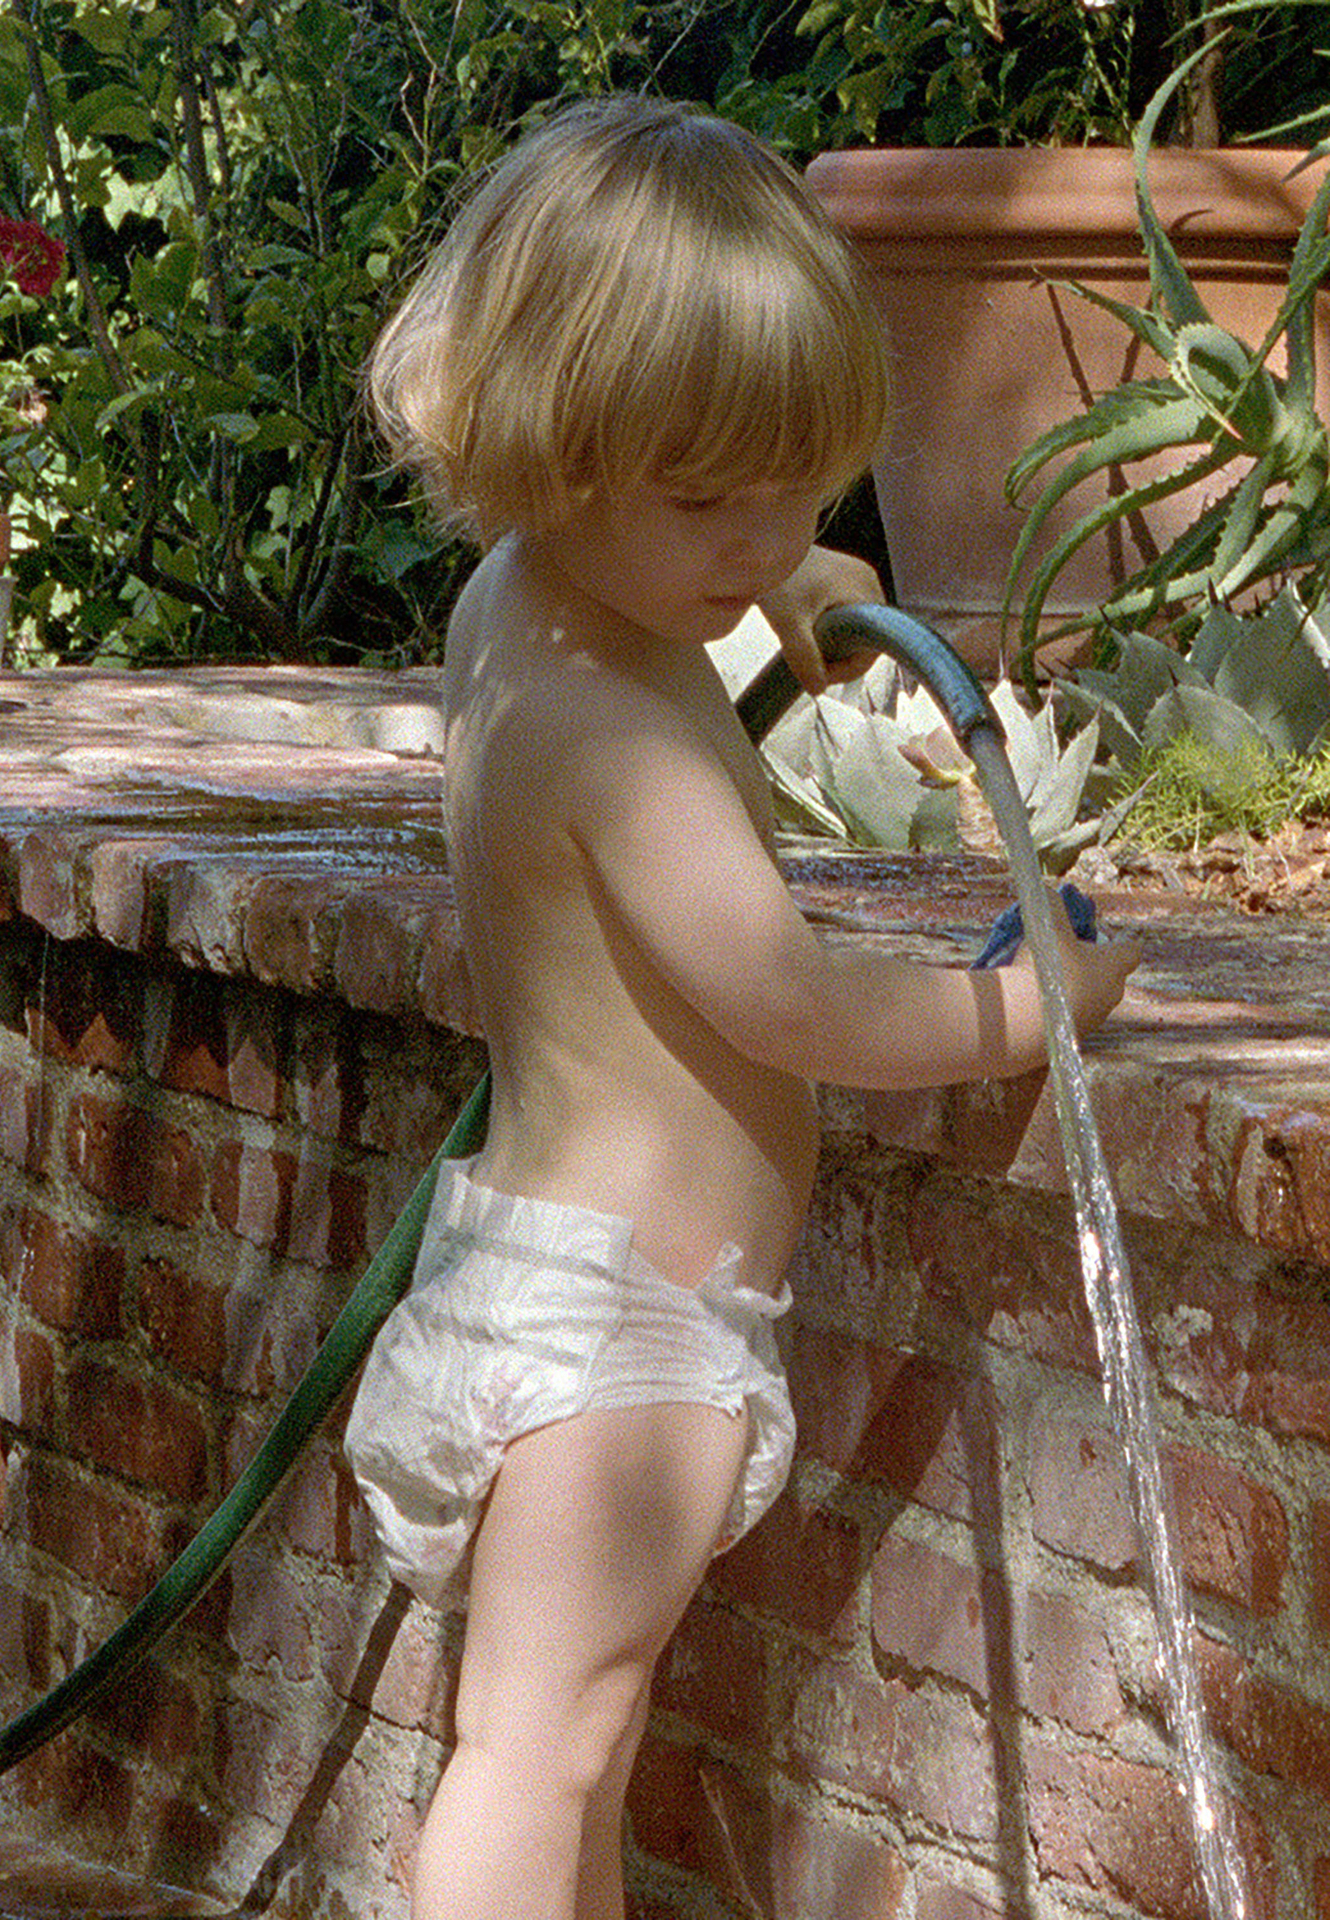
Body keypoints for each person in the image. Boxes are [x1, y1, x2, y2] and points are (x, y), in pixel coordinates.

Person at [341, 94, 1138, 1920]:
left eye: (793, 483)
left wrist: (776, 574)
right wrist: (1038, 1009)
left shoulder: (526, 610)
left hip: (532, 1280)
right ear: (550, 447)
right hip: (616, 1343)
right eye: (706, 498)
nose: (757, 535)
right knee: (533, 1750)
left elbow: (696, 576)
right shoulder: (619, 738)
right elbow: (792, 1004)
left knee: (578, 1750)